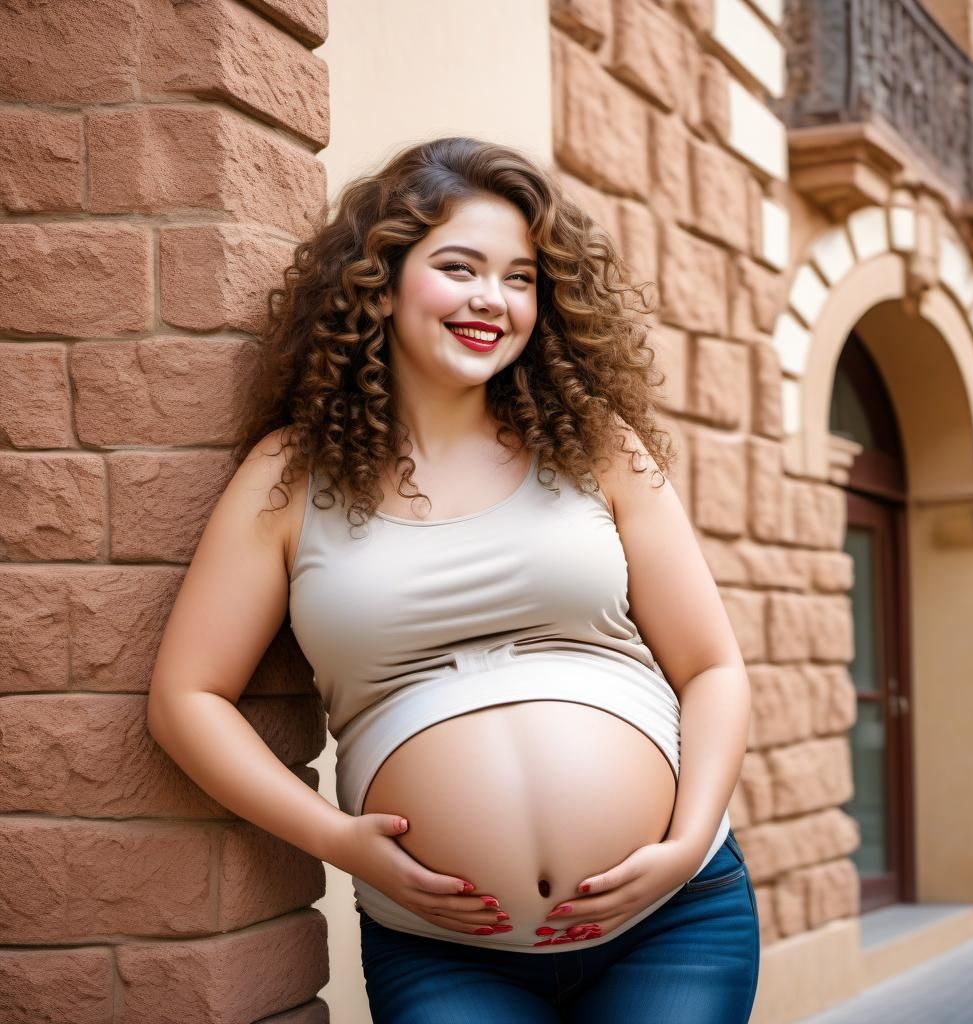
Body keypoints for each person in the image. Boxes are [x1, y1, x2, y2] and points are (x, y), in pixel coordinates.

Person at [147, 136, 759, 1022]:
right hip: (444, 953)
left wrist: (688, 840)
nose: (492, 300)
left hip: (675, 919)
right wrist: (337, 841)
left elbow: (713, 668)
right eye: (460, 267)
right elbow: (187, 697)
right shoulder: (292, 477)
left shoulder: (598, 444)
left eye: (520, 277)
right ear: (382, 282)